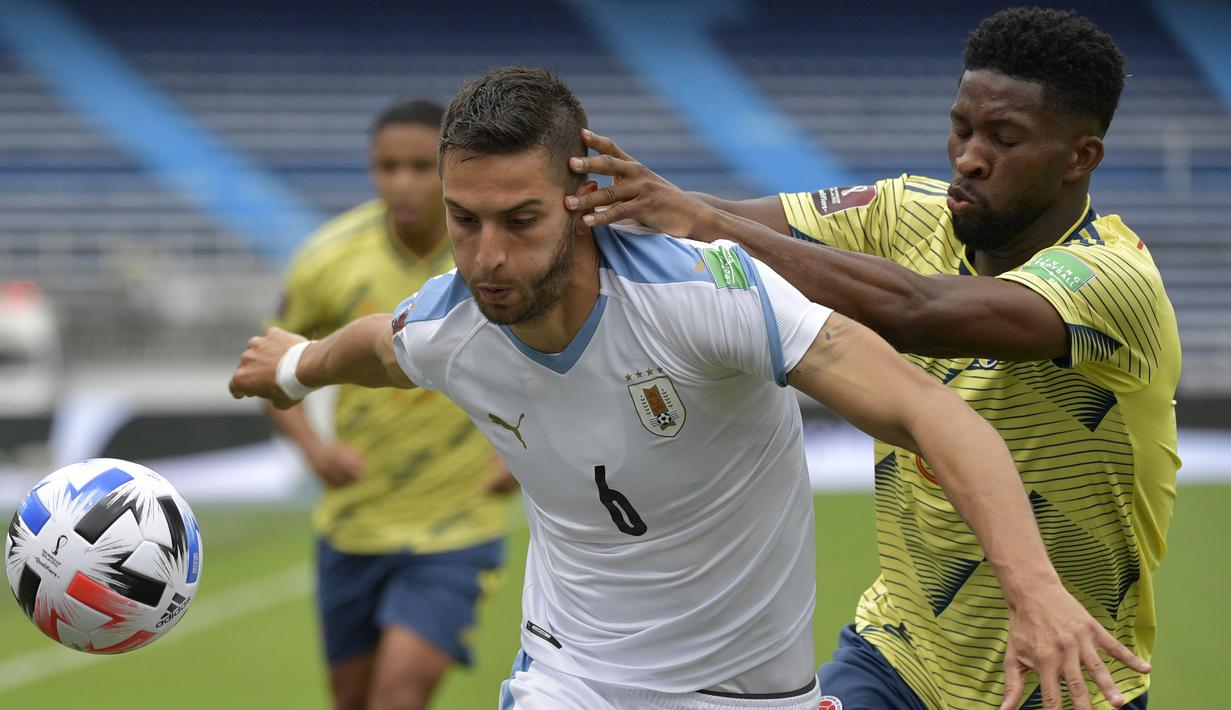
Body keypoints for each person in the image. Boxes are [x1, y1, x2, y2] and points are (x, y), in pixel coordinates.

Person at [231, 66, 1146, 710]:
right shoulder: (453, 320)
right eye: (462, 222)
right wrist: (292, 365)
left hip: (753, 694)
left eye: (520, 220)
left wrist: (1034, 592)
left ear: (582, 201)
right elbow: (375, 345)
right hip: (569, 680)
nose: (487, 257)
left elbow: (928, 408)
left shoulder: (708, 293)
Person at [565, 8, 1177, 710]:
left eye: (1004, 139)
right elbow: (709, 219)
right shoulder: (899, 211)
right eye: (961, 129)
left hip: (1062, 670)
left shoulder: (1111, 280)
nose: (969, 158)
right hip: (895, 658)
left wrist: (704, 225)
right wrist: (580, 206)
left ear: (1079, 157)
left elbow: (915, 313)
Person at [266, 98, 515, 710]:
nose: (401, 182)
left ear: (449, 169)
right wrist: (314, 450)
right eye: (386, 166)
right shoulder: (328, 257)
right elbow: (274, 367)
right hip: (354, 522)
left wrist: (526, 453)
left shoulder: (492, 258)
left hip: (459, 523)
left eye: (417, 166)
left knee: (399, 696)